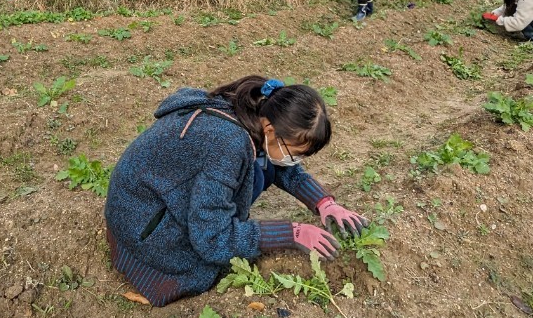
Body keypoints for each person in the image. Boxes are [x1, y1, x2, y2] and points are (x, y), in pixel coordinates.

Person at [104, 76, 368, 306]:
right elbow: (212, 239)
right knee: (206, 265)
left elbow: (279, 162)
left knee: (264, 166)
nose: (294, 161)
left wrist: (323, 203)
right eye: (294, 154)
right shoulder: (228, 145)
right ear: (270, 129)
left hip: (143, 201)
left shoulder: (258, 108)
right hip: (142, 225)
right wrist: (291, 233)